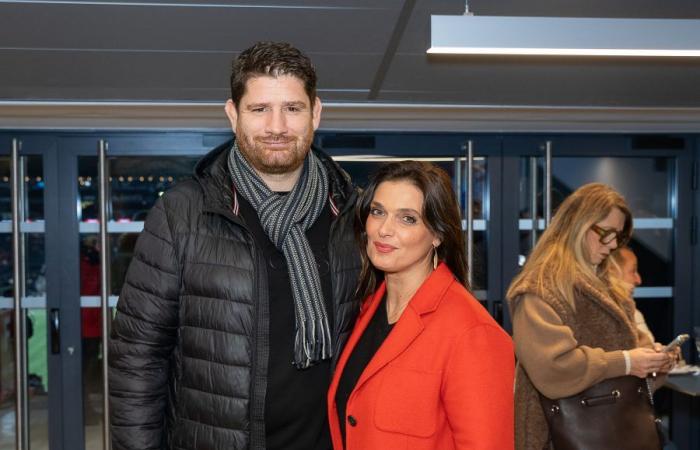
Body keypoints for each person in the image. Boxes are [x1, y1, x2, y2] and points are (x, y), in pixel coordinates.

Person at [109, 41, 361, 450]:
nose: (277, 126)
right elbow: (137, 358)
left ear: (316, 112)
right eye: (259, 109)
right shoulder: (182, 212)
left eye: (292, 109)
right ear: (233, 114)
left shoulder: (352, 212)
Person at [327, 161, 514, 450]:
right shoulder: (365, 309)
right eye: (378, 212)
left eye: (408, 219)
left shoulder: (473, 333)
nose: (384, 230)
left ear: (438, 235)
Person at [506, 183, 675, 450]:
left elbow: (635, 356)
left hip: (618, 430)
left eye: (618, 236)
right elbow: (554, 369)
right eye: (606, 233)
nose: (612, 245)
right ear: (577, 225)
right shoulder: (540, 289)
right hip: (556, 436)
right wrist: (628, 362)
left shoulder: (612, 289)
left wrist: (653, 360)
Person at [612, 246, 654, 342]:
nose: (639, 280)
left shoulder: (634, 313)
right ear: (611, 273)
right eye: (633, 271)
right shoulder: (598, 316)